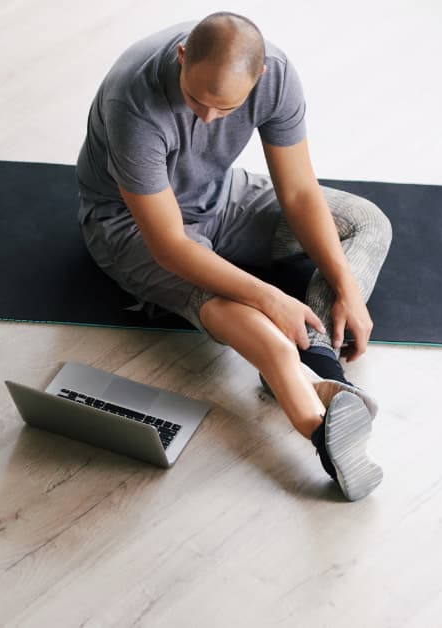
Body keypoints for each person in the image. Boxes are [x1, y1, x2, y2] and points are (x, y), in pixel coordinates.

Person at [75, 12, 392, 501]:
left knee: (367, 223)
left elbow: (301, 194)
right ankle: (317, 416)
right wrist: (271, 298)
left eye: (225, 108)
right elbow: (172, 246)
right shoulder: (132, 100)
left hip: (224, 201)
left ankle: (319, 367)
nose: (207, 117)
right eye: (197, 99)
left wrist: (347, 286)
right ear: (182, 55)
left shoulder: (277, 75)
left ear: (259, 77)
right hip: (130, 225)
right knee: (237, 306)